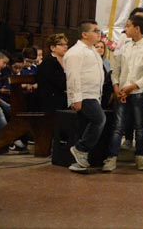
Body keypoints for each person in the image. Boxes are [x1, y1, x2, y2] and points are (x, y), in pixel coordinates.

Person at [103, 15, 143, 172]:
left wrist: (134, 86)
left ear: (137, 28)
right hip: (122, 91)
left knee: (139, 126)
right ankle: (112, 158)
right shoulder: (124, 47)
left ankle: (140, 156)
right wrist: (117, 87)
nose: (125, 29)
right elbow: (115, 70)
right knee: (118, 126)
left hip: (138, 91)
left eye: (128, 26)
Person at [64, 20, 105, 173]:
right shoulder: (75, 52)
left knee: (83, 127)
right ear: (84, 34)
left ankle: (77, 163)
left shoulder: (92, 50)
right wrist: (76, 98)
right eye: (95, 30)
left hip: (93, 94)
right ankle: (81, 149)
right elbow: (73, 77)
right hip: (84, 94)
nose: (98, 33)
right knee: (99, 119)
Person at [36, 34, 69, 112]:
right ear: (52, 47)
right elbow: (59, 83)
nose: (65, 47)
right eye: (61, 44)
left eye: (66, 44)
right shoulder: (49, 62)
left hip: (61, 96)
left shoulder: (67, 61)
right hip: (50, 100)